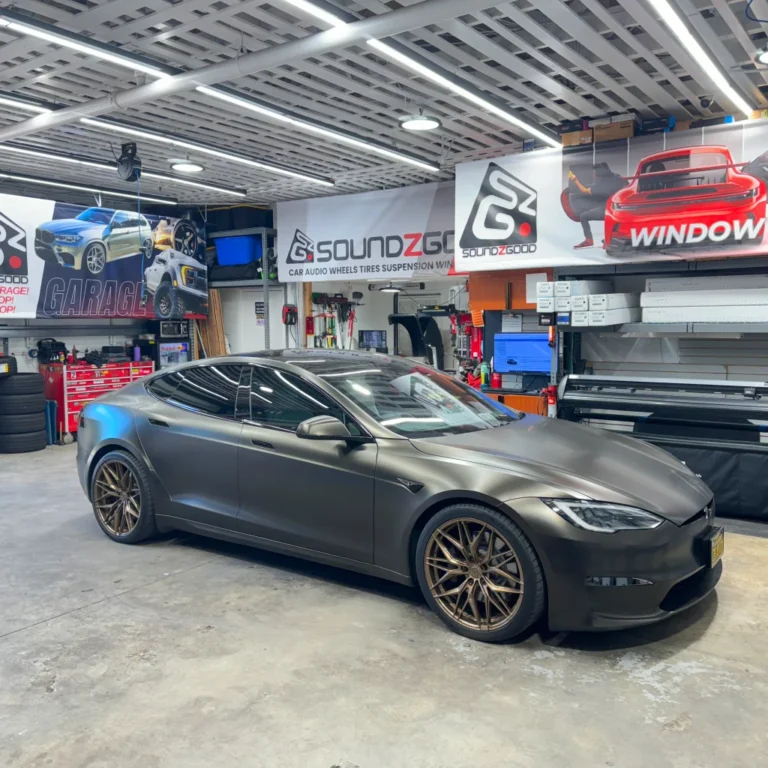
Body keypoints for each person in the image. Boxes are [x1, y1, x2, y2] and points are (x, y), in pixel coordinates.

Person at [568, 163, 626, 248]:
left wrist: (575, 180)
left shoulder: (601, 184)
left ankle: (589, 240)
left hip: (608, 210)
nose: (594, 174)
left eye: (595, 172)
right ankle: (612, 238)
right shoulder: (618, 177)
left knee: (583, 216)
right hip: (620, 209)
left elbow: (584, 191)